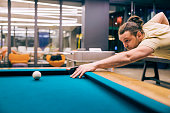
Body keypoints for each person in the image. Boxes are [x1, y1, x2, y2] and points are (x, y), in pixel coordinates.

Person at [70, 12, 170, 78]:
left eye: (127, 40)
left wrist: (94, 65)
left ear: (139, 35)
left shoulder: (151, 41)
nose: (125, 45)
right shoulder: (147, 27)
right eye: (122, 41)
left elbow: (128, 57)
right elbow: (161, 15)